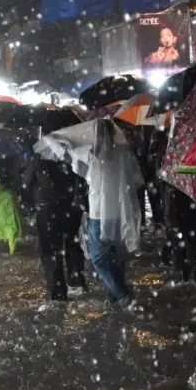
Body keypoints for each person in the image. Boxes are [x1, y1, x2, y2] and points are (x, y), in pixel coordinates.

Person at [81, 119, 141, 304]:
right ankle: (114, 297)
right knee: (116, 257)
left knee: (99, 260)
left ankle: (122, 295)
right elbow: (135, 180)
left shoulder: (90, 154)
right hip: (117, 213)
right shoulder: (122, 153)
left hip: (98, 215)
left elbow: (67, 153)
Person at [23, 143, 88, 301]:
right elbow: (82, 178)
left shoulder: (38, 156)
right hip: (71, 209)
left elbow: (26, 184)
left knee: (51, 252)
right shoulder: (73, 152)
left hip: (47, 211)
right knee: (73, 244)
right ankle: (76, 281)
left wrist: (29, 207)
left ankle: (58, 292)